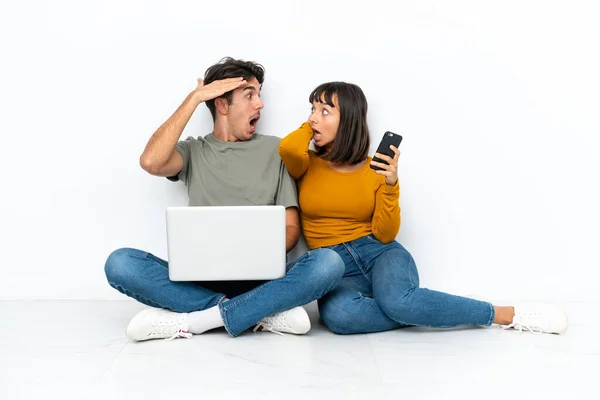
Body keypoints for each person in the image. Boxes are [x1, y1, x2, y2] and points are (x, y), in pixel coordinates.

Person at [278, 81, 568, 335]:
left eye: (325, 111)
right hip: (333, 266)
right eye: (312, 109)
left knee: (399, 301)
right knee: (342, 318)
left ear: (350, 119)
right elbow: (288, 148)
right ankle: (437, 308)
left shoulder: (374, 169)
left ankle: (504, 314)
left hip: (378, 253)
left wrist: (391, 184)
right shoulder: (307, 163)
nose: (314, 118)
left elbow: (386, 233)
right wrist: (314, 123)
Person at [104, 58, 345, 341]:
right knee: (120, 263)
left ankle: (198, 320)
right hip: (200, 281)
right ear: (221, 105)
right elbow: (151, 161)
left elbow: (291, 227)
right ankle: (258, 313)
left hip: (263, 280)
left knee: (329, 262)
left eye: (259, 95)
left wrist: (257, 251)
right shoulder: (194, 151)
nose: (260, 105)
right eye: (250, 95)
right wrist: (193, 99)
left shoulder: (274, 150)